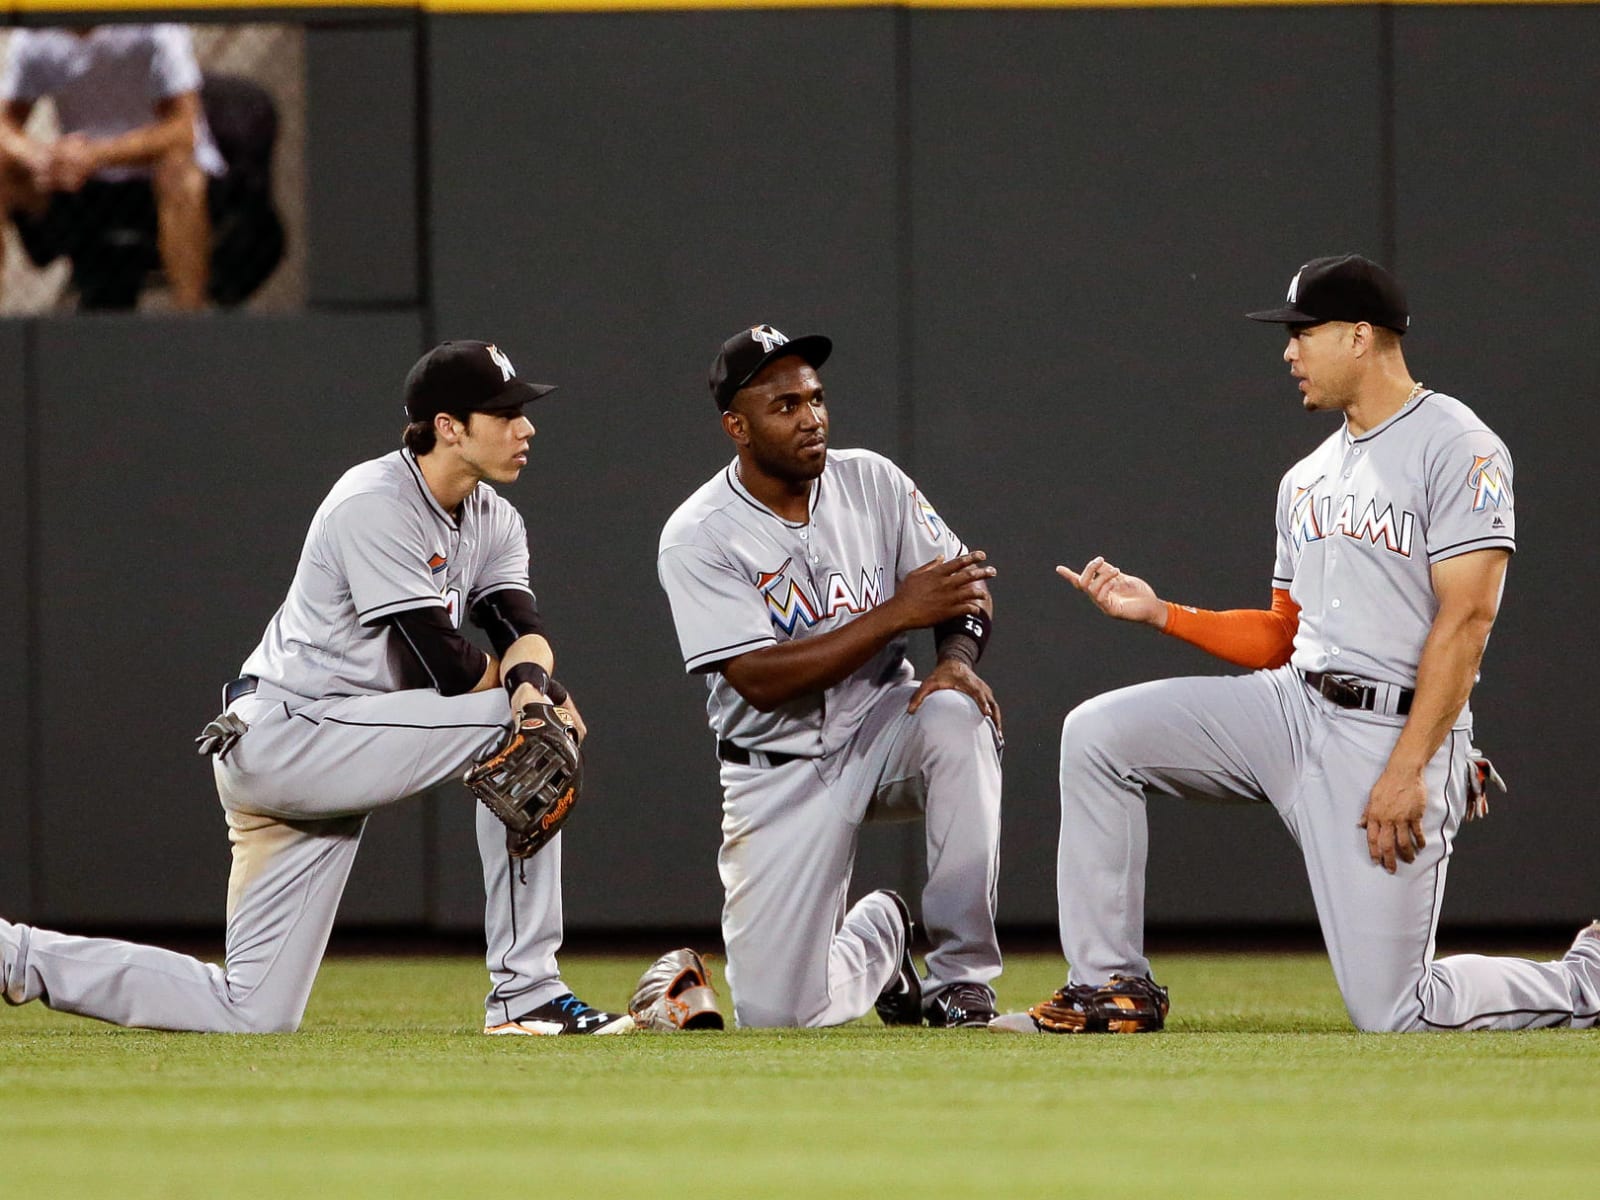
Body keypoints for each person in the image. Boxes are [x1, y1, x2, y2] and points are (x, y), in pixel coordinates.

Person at [993, 254, 1599, 1035]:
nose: (1287, 353)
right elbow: (1282, 635)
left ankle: (1585, 979)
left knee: (1395, 1011)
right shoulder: (1305, 477)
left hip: (1386, 735)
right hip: (1289, 707)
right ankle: (1111, 988)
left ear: (1359, 336)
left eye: (1300, 334)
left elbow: (1469, 621)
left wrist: (1415, 764)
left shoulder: (1460, 446)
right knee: (1100, 735)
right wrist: (1161, 614)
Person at [1, 340, 633, 1036]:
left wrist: (533, 684)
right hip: (287, 734)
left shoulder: (495, 519)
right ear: (449, 426)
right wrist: (530, 700)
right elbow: (446, 666)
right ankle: (527, 994)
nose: (526, 427)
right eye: (505, 412)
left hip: (329, 745)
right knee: (524, 732)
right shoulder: (373, 502)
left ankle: (16, 956)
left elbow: (521, 629)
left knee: (251, 1011)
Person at [656, 323, 1005, 1029]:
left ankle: (961, 980)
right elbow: (758, 678)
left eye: (816, 398)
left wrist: (955, 661)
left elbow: (966, 587)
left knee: (956, 717)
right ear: (738, 427)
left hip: (881, 724)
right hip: (775, 768)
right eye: (784, 406)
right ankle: (882, 936)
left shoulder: (871, 479)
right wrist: (896, 614)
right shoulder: (699, 533)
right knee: (777, 1018)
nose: (812, 417)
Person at [0, 24, 221, 309]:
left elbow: (183, 130)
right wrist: (40, 156)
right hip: (84, 188)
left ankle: (190, 327)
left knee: (179, 170)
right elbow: (5, 126)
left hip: (151, 183)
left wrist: (97, 155)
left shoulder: (154, 24)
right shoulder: (36, 30)